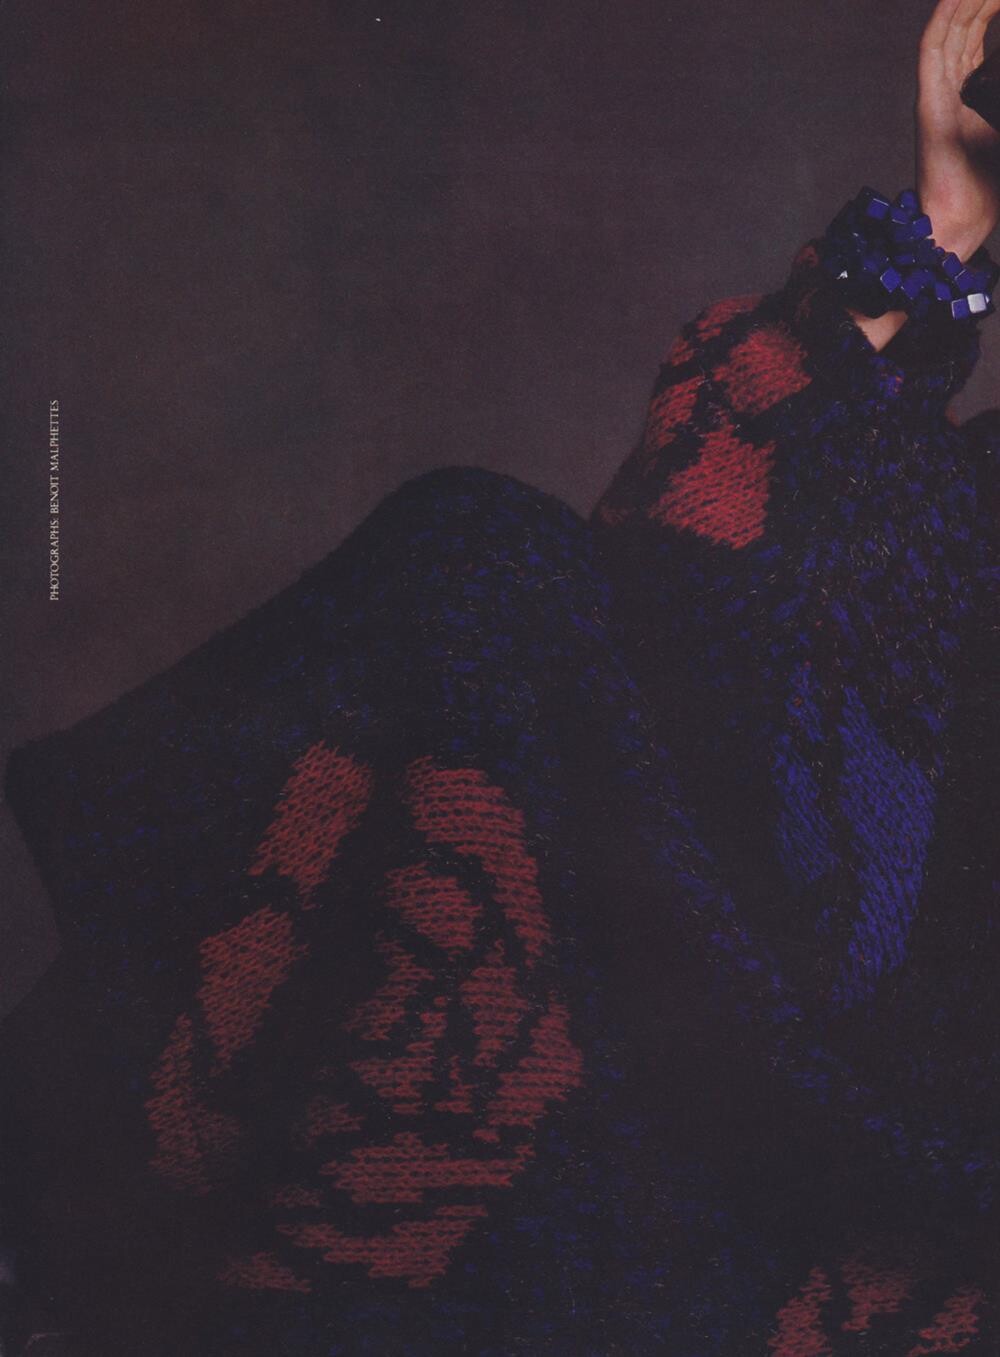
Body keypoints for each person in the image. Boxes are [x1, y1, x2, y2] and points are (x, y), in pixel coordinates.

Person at [2, 0, 998, 1352]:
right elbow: (672, 556)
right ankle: (111, 1164)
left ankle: (113, 1179)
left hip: (873, 1125)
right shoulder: (946, 488)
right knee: (477, 549)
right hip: (721, 966)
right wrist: (936, 235)